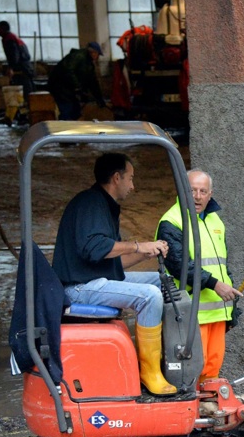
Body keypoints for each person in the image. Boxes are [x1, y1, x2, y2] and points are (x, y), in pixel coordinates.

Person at [52, 152, 176, 395]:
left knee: (162, 281)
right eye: (130, 179)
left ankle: (168, 358)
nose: (133, 186)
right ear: (117, 178)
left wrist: (146, 252)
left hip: (95, 280)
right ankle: (149, 372)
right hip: (79, 288)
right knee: (150, 295)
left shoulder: (103, 205)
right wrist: (139, 245)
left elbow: (113, 261)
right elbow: (94, 247)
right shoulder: (90, 204)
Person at [156, 169, 242, 381]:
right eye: (192, 190)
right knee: (191, 370)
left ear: (210, 194)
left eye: (203, 191)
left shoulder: (215, 221)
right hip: (191, 312)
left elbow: (221, 263)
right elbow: (179, 264)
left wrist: (231, 307)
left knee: (212, 369)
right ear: (182, 189)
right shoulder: (172, 221)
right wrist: (215, 285)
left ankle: (207, 410)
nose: (197, 196)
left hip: (217, 311)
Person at [48, 41, 106, 120]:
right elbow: (68, 70)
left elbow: (92, 82)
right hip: (60, 87)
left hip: (67, 89)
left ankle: (72, 127)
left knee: (75, 111)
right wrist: (78, 87)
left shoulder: (88, 64)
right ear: (93, 52)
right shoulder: (79, 57)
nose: (98, 57)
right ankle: (63, 128)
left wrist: (99, 98)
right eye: (98, 54)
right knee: (67, 109)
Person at [0, 21, 35, 101]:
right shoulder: (13, 38)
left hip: (22, 70)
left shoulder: (9, 40)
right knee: (26, 92)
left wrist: (11, 68)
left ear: (3, 29)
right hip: (26, 68)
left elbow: (14, 56)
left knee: (23, 93)